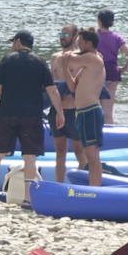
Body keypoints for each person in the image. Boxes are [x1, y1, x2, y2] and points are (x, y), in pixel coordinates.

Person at [0, 30, 62, 206]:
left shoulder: (8, 60)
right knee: (30, 157)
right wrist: (60, 112)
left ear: (18, 41)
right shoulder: (39, 62)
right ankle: (27, 198)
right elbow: (51, 90)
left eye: (13, 42)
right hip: (32, 115)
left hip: (7, 112)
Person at [65, 28, 107, 186]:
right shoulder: (86, 64)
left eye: (80, 42)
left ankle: (95, 189)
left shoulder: (93, 58)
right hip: (81, 112)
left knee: (92, 156)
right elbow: (72, 87)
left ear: (89, 43)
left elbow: (70, 59)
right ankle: (92, 186)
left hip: (91, 112)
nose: (78, 46)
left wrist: (64, 57)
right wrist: (64, 67)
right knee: (86, 153)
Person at [47, 24, 84, 182]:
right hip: (57, 110)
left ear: (75, 36)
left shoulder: (81, 57)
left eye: (66, 34)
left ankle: (83, 184)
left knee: (79, 152)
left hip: (74, 110)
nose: (62, 36)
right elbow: (50, 83)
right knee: (60, 152)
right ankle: (59, 184)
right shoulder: (55, 57)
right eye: (61, 33)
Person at [95, 9, 128, 124]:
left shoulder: (93, 36)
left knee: (95, 110)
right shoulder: (116, 38)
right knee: (108, 113)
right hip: (113, 73)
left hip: (96, 73)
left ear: (99, 21)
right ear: (112, 22)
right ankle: (110, 135)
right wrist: (123, 69)